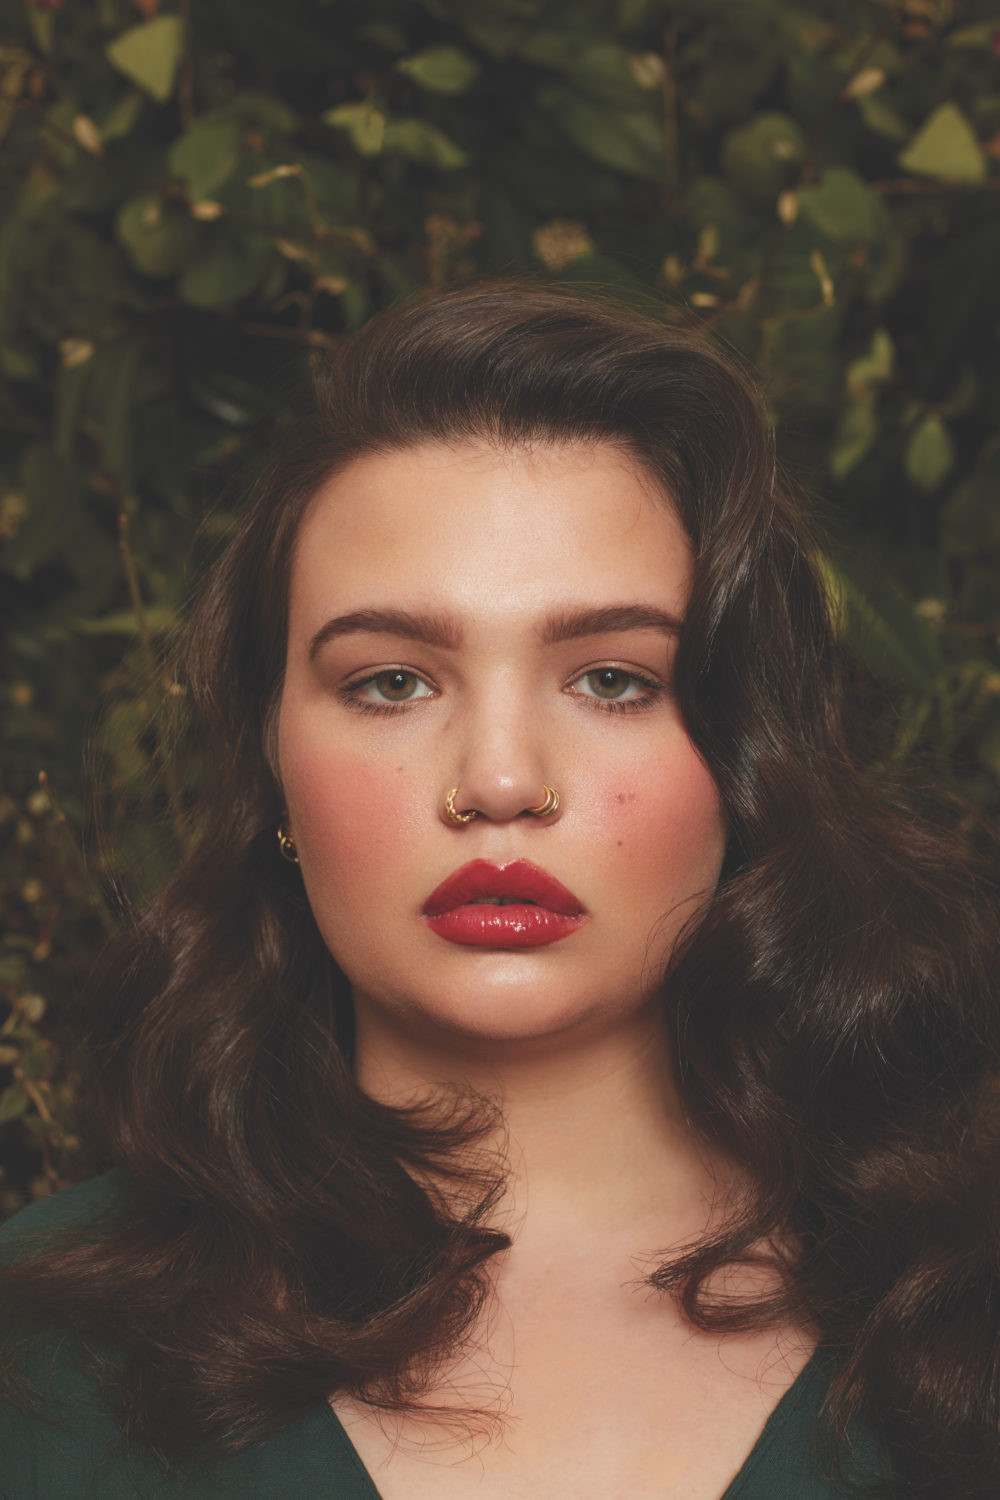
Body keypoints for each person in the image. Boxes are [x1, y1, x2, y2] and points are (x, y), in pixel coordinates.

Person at [1, 281, 997, 1500]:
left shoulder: (961, 1299)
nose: (501, 782)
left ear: (748, 757)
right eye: (392, 683)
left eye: (613, 680)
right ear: (271, 762)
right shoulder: (39, 1347)